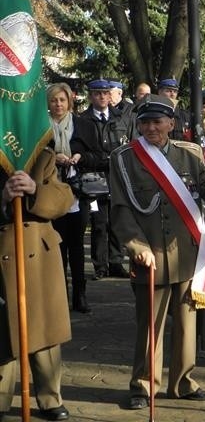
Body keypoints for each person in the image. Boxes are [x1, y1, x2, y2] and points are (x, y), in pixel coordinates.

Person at [109, 95, 205, 409]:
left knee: (187, 324)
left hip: (186, 254)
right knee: (151, 325)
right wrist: (137, 246)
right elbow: (120, 211)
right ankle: (143, 386)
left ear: (171, 124)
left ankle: (183, 382)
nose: (150, 128)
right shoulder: (124, 159)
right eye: (144, 122)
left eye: (157, 122)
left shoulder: (191, 155)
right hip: (150, 256)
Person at [0, 147, 74, 421]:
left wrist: (34, 189)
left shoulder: (41, 154)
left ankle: (50, 397)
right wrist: (3, 198)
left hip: (37, 254)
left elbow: (63, 198)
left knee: (43, 328)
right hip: (2, 249)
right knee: (3, 329)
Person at [47, 82, 102, 313]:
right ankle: (59, 294)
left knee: (77, 246)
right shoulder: (40, 127)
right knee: (56, 246)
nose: (58, 104)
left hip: (78, 193)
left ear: (70, 101)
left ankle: (80, 294)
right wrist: (52, 158)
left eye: (62, 100)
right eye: (54, 100)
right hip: (50, 193)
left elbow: (100, 157)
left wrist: (81, 157)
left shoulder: (84, 126)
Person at [80, 78, 132, 280]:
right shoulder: (83, 119)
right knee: (99, 222)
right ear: (91, 96)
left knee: (117, 220)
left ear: (111, 96)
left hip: (118, 176)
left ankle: (116, 262)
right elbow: (83, 149)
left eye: (105, 93)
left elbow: (129, 144)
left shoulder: (121, 118)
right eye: (97, 93)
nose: (102, 97)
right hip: (95, 176)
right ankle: (100, 265)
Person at [157, 77, 193, 141]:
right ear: (159, 92)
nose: (172, 94)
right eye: (168, 91)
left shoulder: (185, 116)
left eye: (175, 91)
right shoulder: (153, 114)